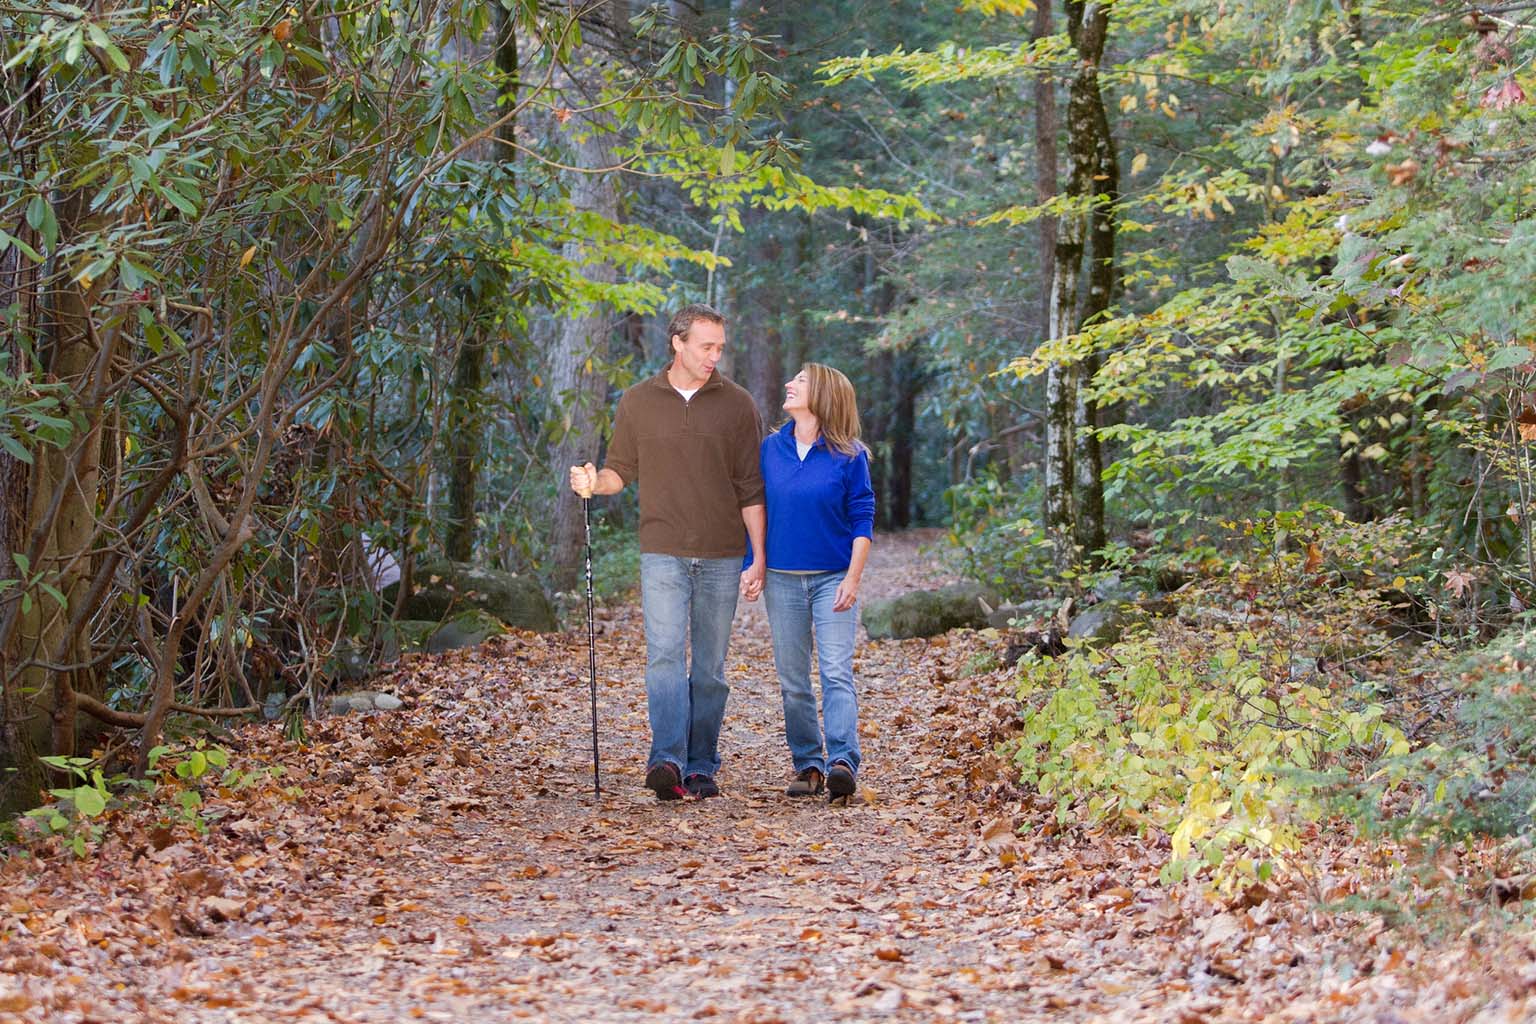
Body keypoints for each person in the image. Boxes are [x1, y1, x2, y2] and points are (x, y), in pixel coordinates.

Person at [570, 303, 766, 801]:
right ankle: (667, 759)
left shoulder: (738, 404)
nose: (714, 356)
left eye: (720, 347)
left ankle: (701, 765)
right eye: (706, 346)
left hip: (723, 553)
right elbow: (619, 471)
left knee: (709, 669)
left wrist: (757, 555)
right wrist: (594, 483)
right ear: (677, 342)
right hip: (661, 551)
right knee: (662, 658)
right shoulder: (637, 402)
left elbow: (751, 488)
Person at [742, 364, 875, 802]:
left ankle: (842, 762)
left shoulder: (850, 455)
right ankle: (808, 764)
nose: (789, 385)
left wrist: (853, 578)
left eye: (800, 381)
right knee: (793, 678)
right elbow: (755, 506)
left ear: (822, 395)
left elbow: (862, 518)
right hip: (782, 579)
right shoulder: (769, 449)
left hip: (833, 578)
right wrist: (754, 562)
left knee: (836, 672)